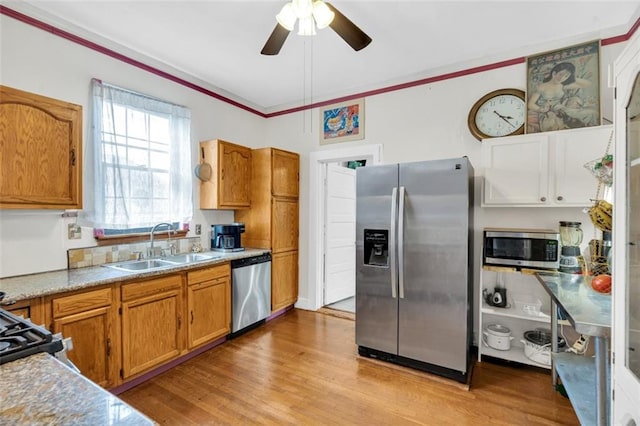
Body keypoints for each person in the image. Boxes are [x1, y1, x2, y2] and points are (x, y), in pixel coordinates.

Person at [527, 61, 597, 132]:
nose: (562, 78)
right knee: (552, 124)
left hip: (561, 109)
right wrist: (541, 109)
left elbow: (588, 84)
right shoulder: (541, 87)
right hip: (546, 112)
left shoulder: (563, 86)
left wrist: (572, 78)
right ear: (554, 73)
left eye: (566, 76)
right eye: (561, 74)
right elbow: (530, 104)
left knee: (591, 113)